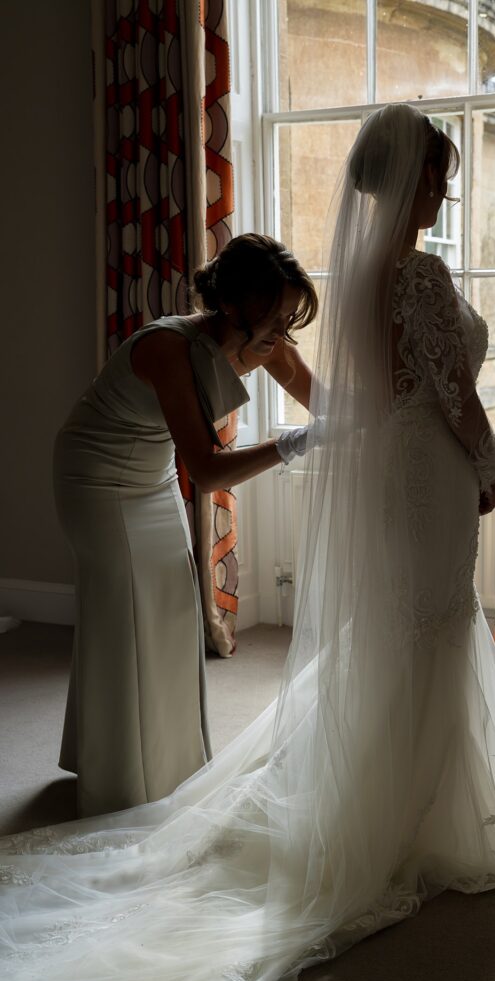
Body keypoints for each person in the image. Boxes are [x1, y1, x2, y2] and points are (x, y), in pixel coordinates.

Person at [0, 105, 495, 981]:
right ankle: (123, 767)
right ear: (240, 307)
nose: (443, 189)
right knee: (416, 620)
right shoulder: (187, 344)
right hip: (106, 470)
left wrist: (354, 434)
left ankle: (168, 762)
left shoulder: (343, 292)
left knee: (333, 619)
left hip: (395, 468)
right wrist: (455, 457)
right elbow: (231, 460)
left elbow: (350, 395)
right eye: (434, 173)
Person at [53, 233, 319, 817]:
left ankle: (163, 761)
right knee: (123, 618)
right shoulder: (168, 347)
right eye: (274, 316)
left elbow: (316, 394)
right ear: (233, 306)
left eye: (288, 317)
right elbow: (203, 468)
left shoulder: (263, 338)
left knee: (172, 612)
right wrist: (292, 444)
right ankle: (116, 780)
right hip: (97, 480)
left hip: (148, 480)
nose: (282, 331)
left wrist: (376, 421)